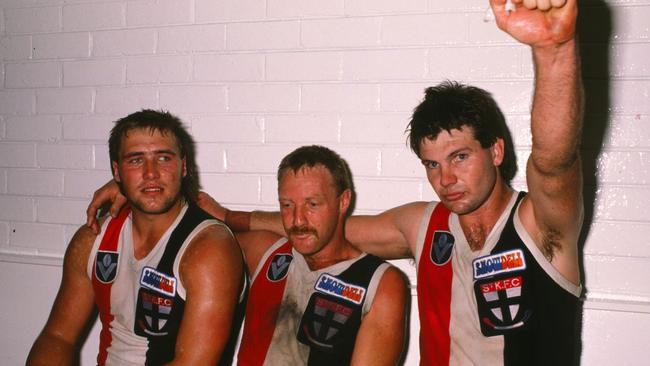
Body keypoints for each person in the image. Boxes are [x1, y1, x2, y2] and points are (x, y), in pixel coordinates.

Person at [86, 0, 584, 364]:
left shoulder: (543, 227)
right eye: (432, 164)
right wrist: (147, 197)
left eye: (459, 157)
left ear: (496, 150)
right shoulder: (427, 225)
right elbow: (319, 230)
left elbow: (554, 161)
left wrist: (554, 49)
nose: (446, 179)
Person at [28, 110, 246, 366]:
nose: (151, 173)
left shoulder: (209, 248)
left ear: (183, 166)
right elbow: (58, 337)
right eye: (135, 160)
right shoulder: (93, 240)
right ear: (116, 172)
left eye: (163, 158)